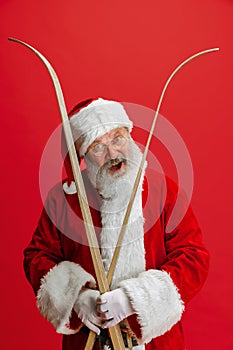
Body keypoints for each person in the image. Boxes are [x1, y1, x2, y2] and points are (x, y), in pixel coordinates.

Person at [24, 97, 209, 350]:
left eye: (117, 138)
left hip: (155, 343)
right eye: (97, 147)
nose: (112, 154)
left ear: (129, 136)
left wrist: (135, 299)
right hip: (88, 342)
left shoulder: (164, 190)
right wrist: (77, 296)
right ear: (83, 156)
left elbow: (194, 257)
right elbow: (37, 257)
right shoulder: (63, 199)